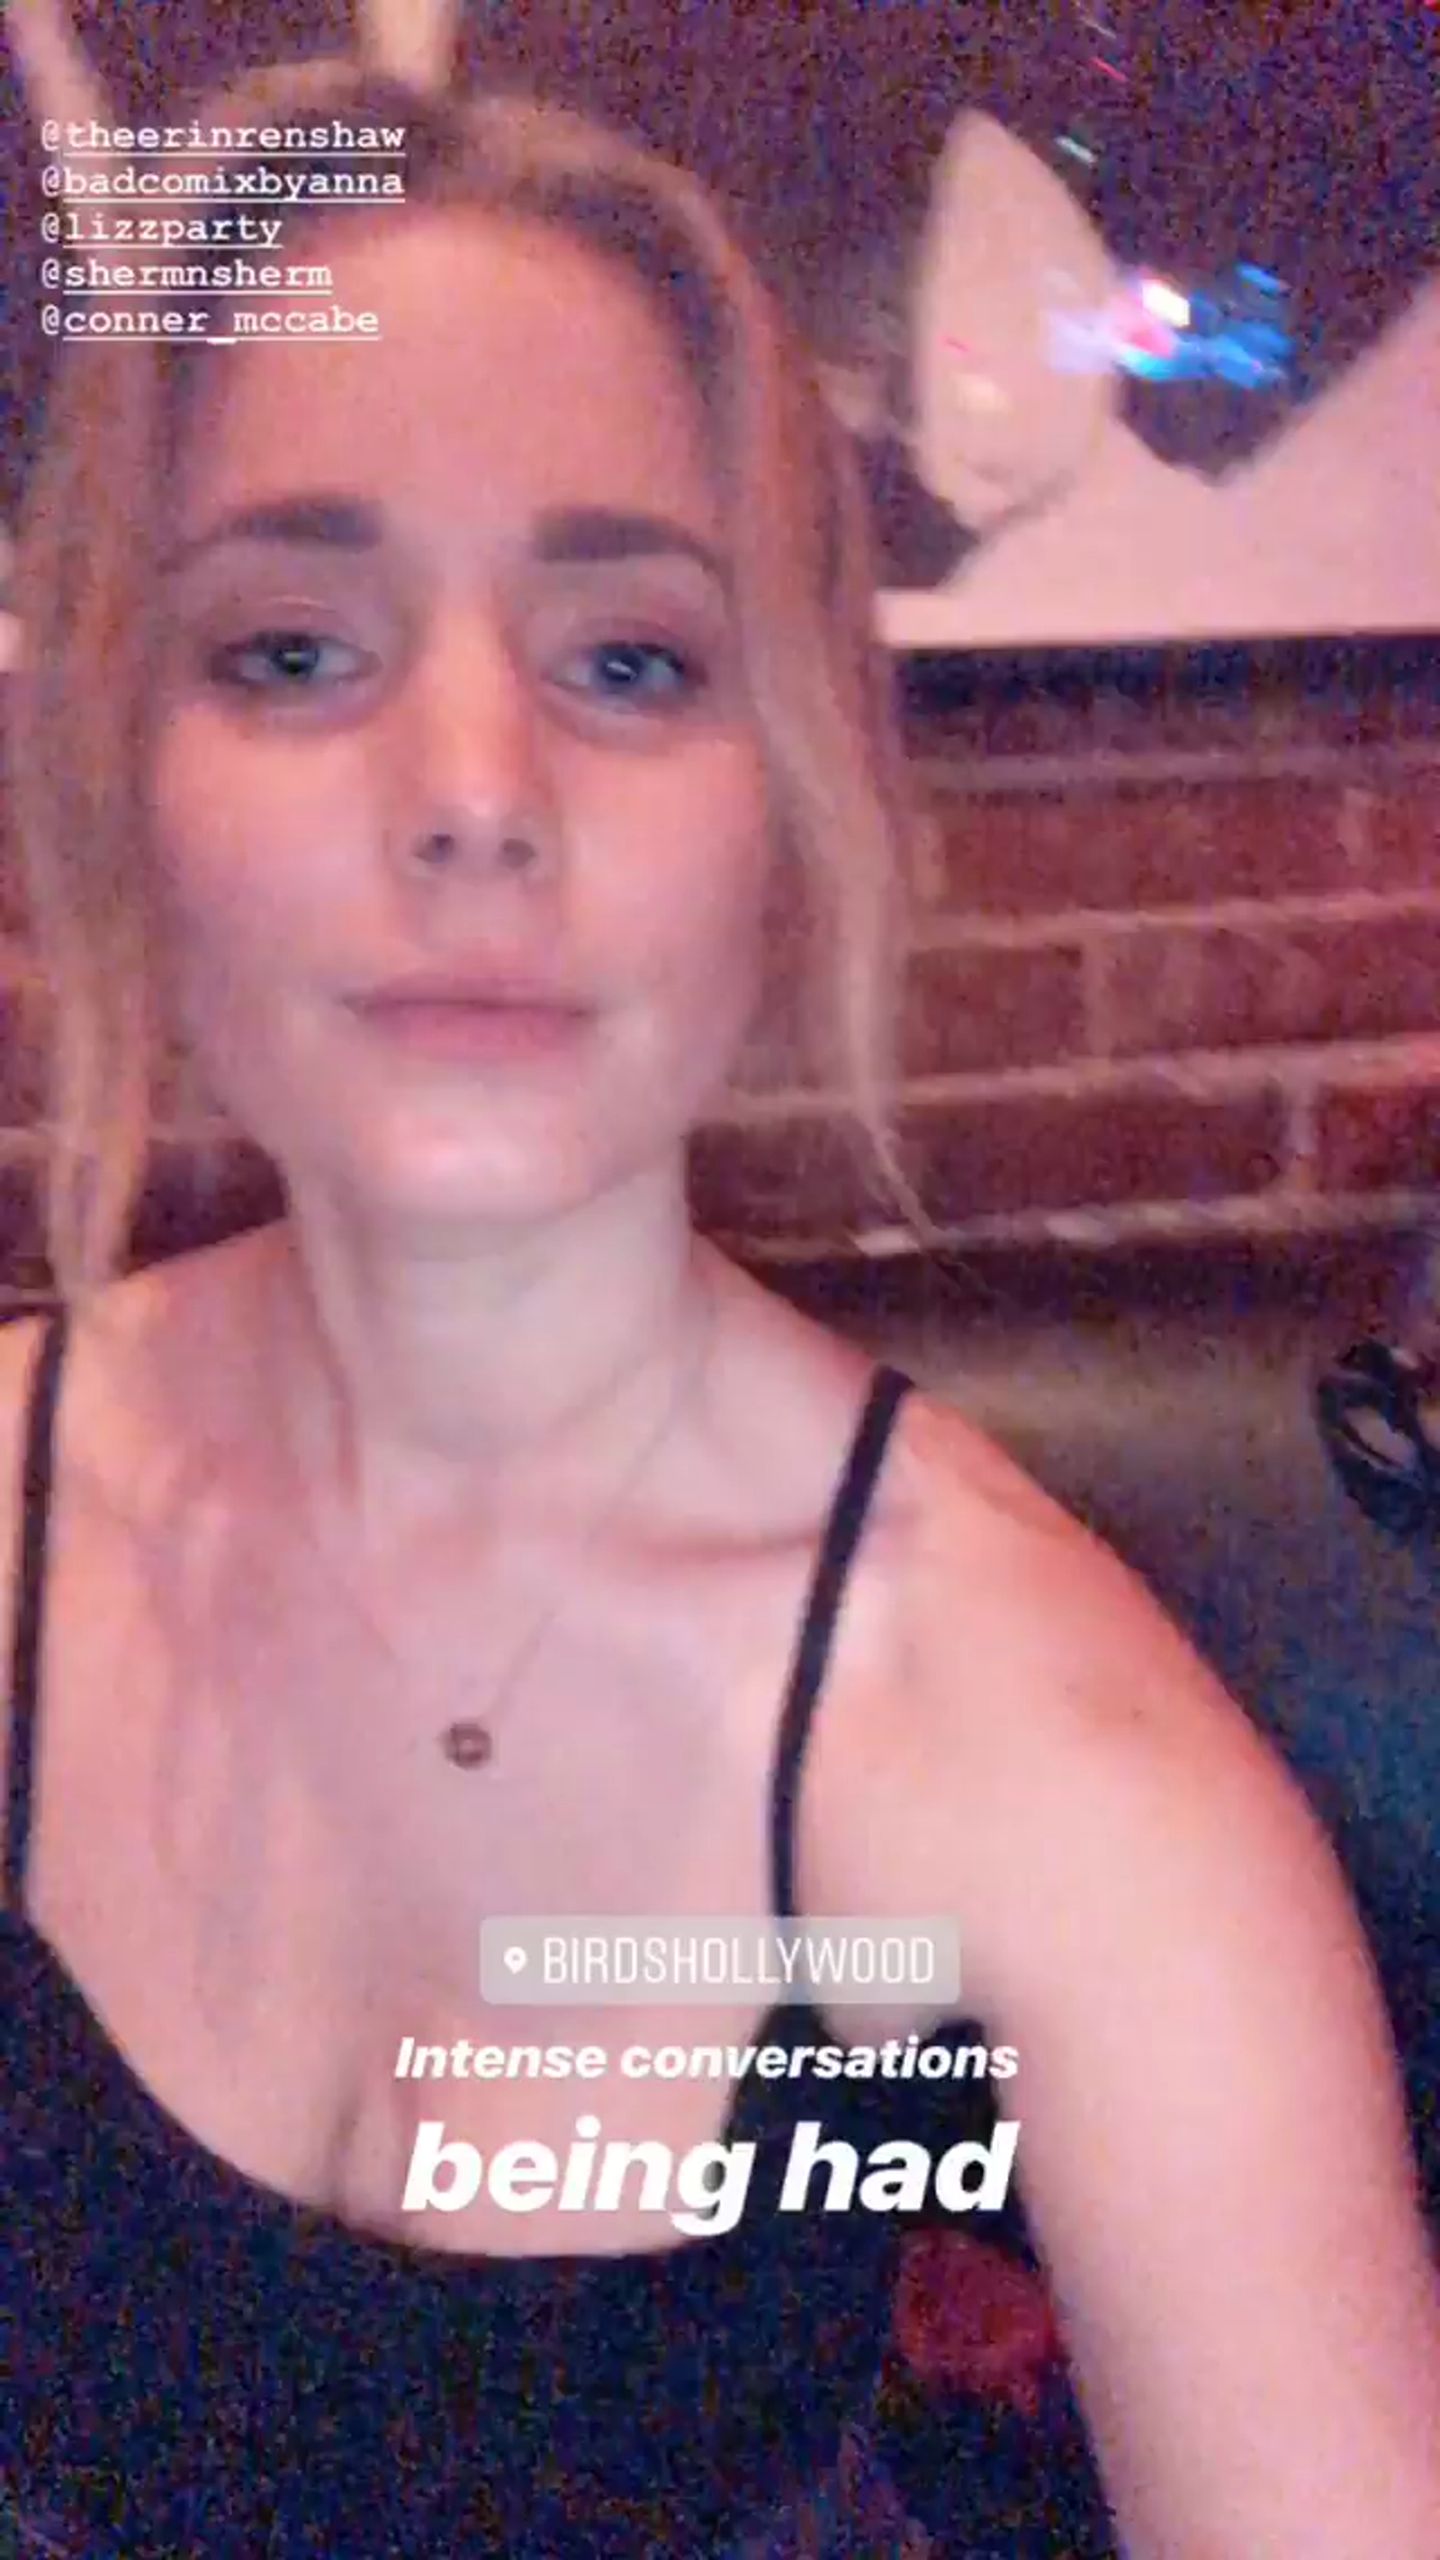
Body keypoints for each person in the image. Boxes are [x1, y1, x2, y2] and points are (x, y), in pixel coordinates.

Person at [2, 47, 1440, 2560]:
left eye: (632, 659)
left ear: (786, 791)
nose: (475, 786)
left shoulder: (1063, 1770)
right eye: (299, 647)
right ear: (125, 764)